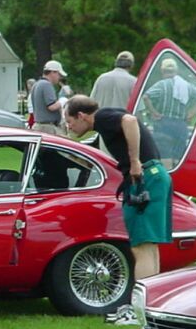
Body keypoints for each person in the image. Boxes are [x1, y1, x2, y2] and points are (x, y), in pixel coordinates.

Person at [64, 95, 172, 279]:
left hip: (145, 178)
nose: (69, 126)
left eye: (69, 121)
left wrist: (135, 161)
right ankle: (150, 299)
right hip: (156, 176)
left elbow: (130, 121)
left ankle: (141, 303)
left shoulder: (103, 118)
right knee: (148, 245)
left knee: (140, 246)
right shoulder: (105, 122)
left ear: (81, 115)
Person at [141, 57, 196, 166]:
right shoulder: (186, 85)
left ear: (162, 71)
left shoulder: (161, 85)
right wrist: (191, 114)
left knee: (164, 155)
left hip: (163, 123)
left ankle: (167, 177)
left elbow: (146, 97)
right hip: (181, 125)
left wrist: (153, 112)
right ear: (176, 71)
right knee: (178, 157)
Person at [30, 60, 67, 136]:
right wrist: (62, 101)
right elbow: (52, 106)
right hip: (48, 128)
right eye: (58, 74)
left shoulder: (36, 84)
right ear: (53, 72)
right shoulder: (46, 85)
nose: (59, 77)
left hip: (39, 126)